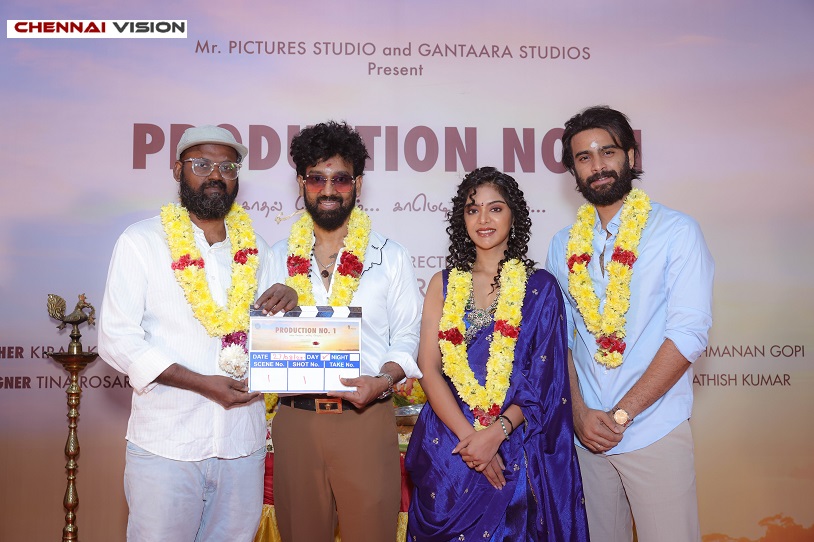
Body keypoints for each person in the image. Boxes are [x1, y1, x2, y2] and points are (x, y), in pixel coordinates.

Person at [98, 125, 297, 541]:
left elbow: (277, 336)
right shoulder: (142, 241)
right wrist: (201, 383)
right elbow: (117, 338)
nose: (215, 175)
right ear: (178, 170)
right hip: (166, 446)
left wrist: (291, 307)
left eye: (227, 167)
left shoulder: (258, 250)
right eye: (202, 164)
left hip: (242, 446)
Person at [545, 106, 714, 542]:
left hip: (653, 428)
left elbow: (688, 334)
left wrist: (623, 414)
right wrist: (579, 414)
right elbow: (561, 341)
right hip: (587, 437)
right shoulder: (562, 246)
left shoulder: (676, 232)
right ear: (573, 170)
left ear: (631, 157)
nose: (598, 166)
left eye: (608, 152)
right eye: (584, 157)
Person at [257, 120, 423, 542]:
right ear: (301, 183)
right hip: (296, 421)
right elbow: (255, 340)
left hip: (366, 419)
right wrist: (274, 312)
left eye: (341, 179)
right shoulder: (276, 257)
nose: (328, 189)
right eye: (317, 178)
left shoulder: (391, 256)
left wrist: (383, 380)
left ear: (358, 184)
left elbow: (408, 336)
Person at [405, 167, 590, 541]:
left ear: (513, 215)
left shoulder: (540, 288)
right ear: (462, 219)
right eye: (473, 210)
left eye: (495, 208)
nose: (483, 219)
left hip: (514, 446)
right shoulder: (443, 284)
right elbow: (429, 366)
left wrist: (497, 433)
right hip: (450, 447)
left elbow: (546, 381)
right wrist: (473, 441)